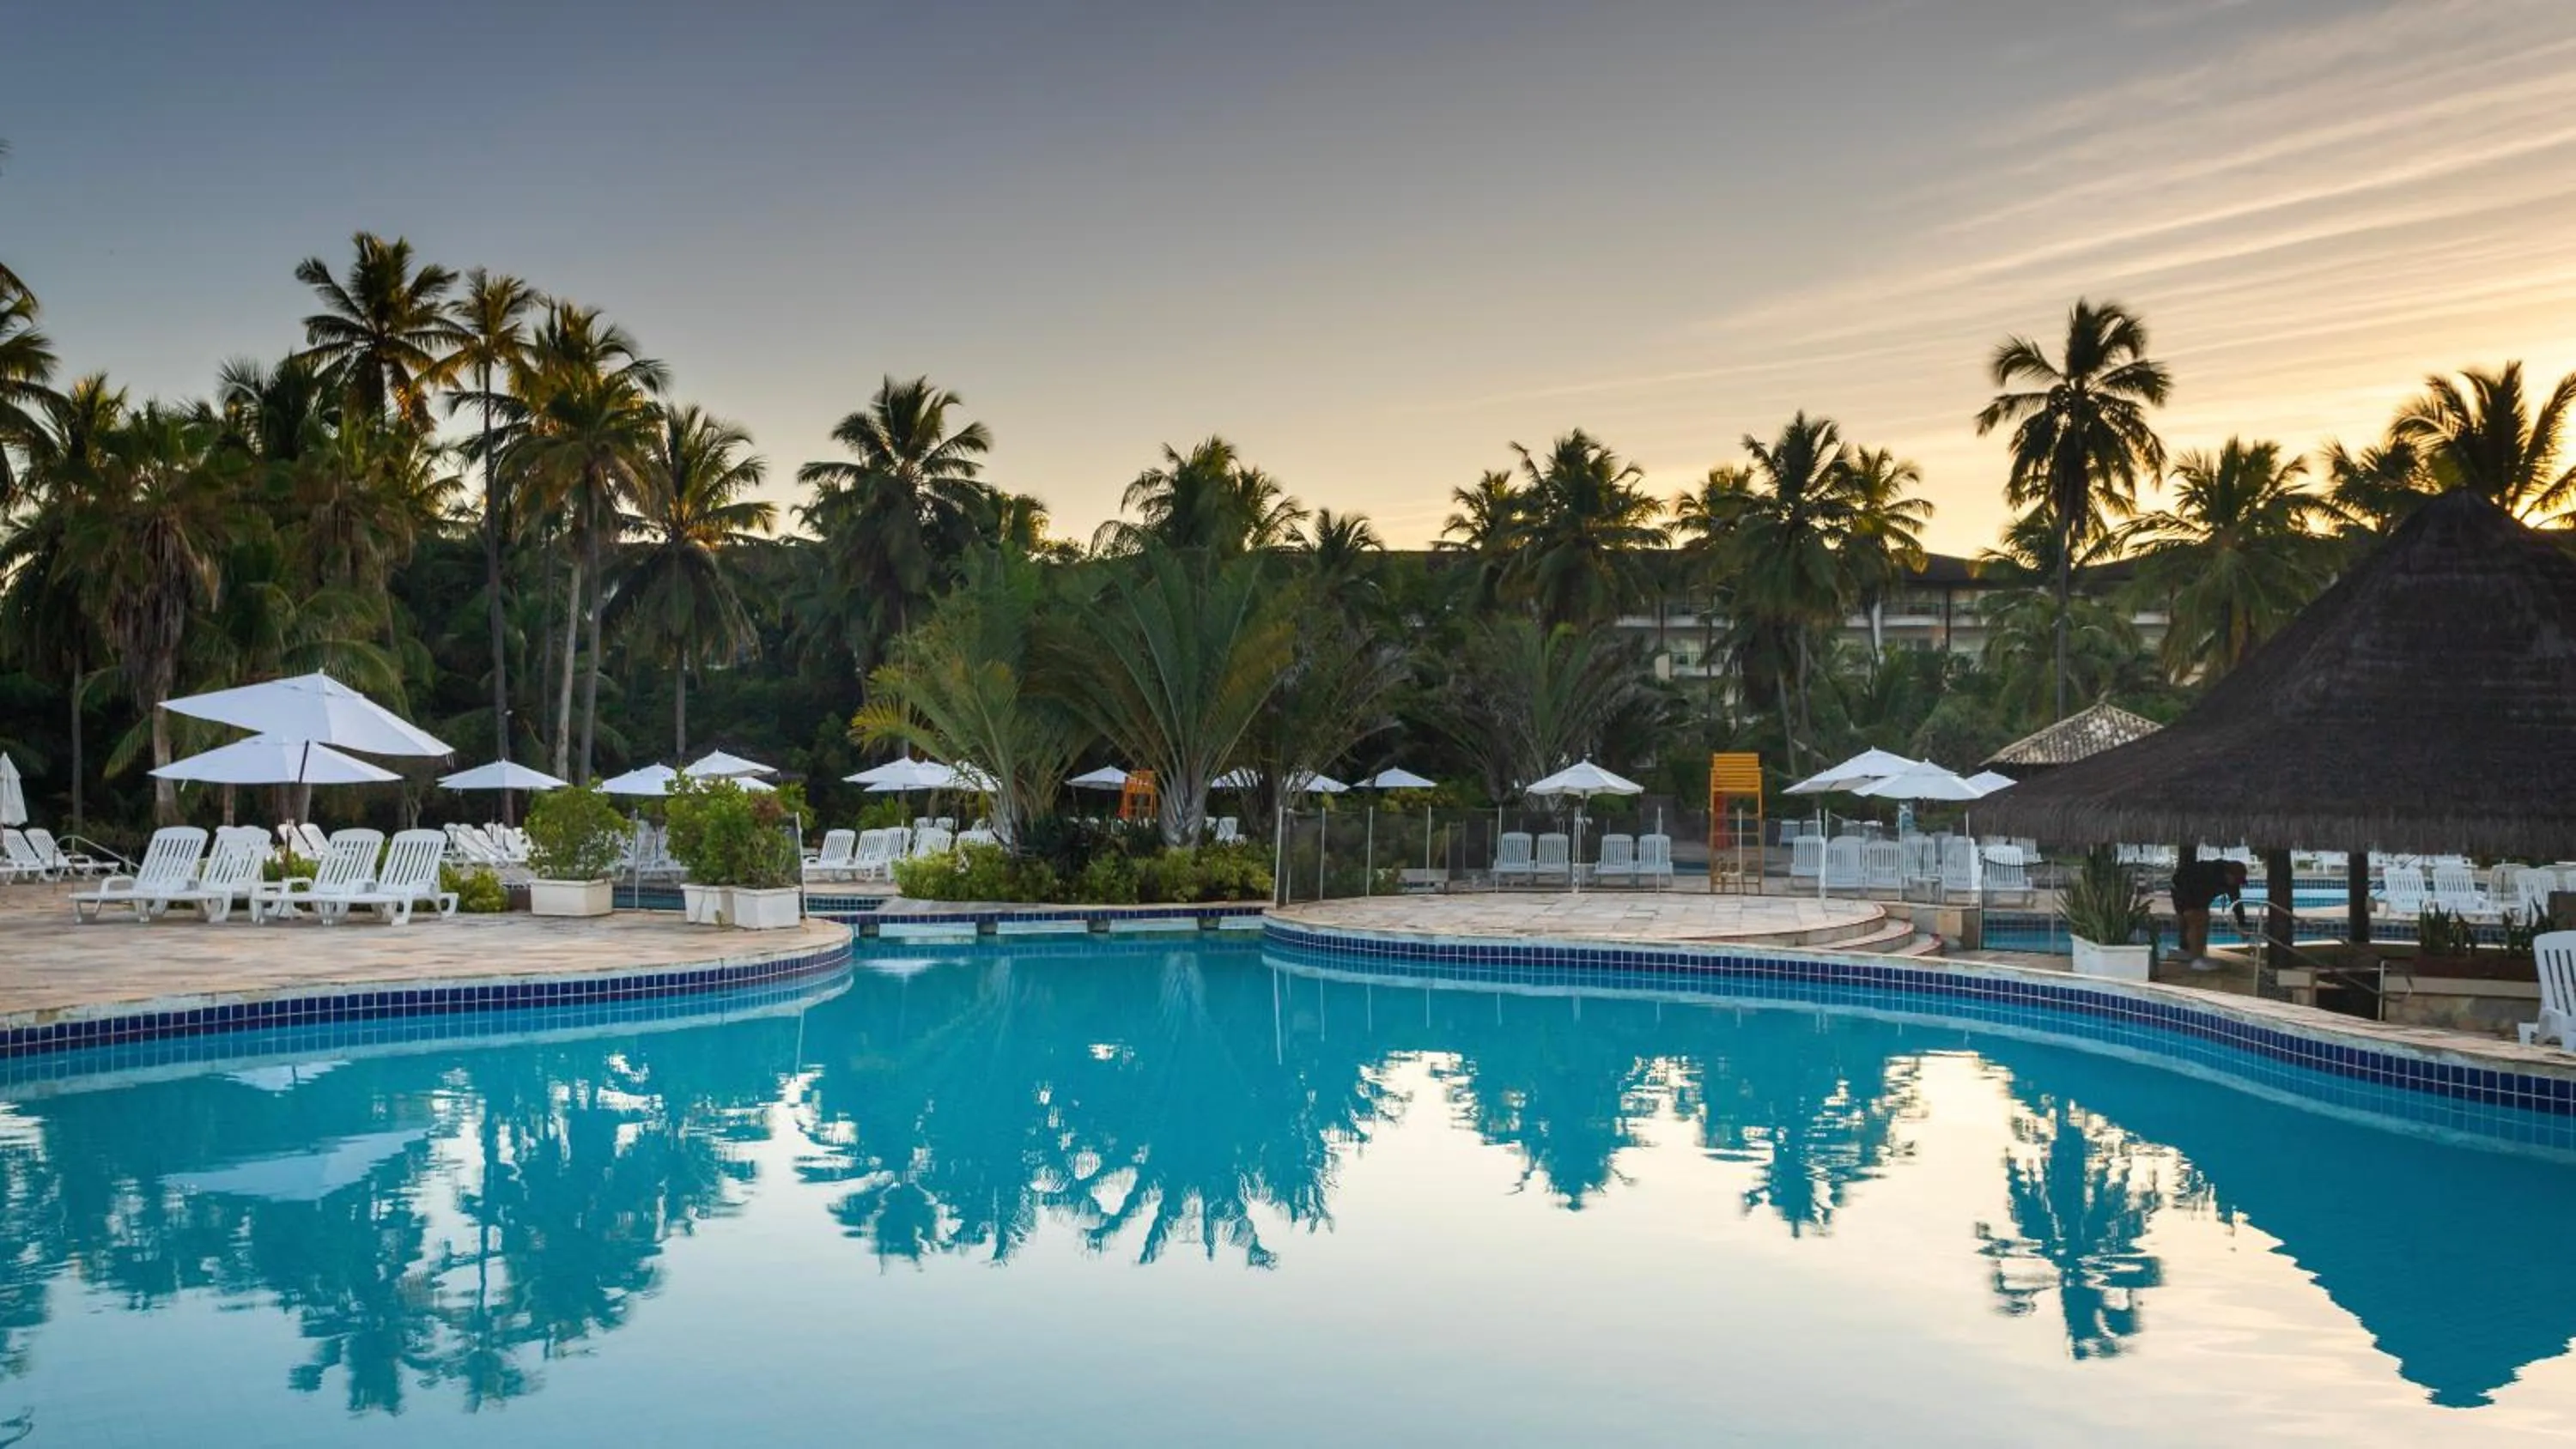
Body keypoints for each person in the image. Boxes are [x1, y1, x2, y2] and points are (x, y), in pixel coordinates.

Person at [2170, 857, 2250, 970]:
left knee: (2203, 920)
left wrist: (2242, 924)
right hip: (2182, 886)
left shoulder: (2232, 882)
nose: (2237, 884)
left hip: (2196, 891)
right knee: (2196, 919)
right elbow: (2193, 895)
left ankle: (2198, 956)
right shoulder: (2210, 874)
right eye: (2237, 881)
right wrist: (2194, 911)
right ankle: (2195, 959)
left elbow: (2237, 903)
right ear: (2228, 874)